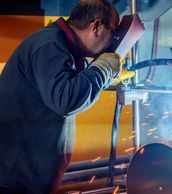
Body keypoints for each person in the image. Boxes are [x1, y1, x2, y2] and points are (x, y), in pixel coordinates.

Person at [0, 0, 121, 193]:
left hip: (28, 182)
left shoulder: (63, 47)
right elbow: (66, 100)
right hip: (14, 184)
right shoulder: (50, 46)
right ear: (96, 26)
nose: (114, 41)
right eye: (113, 33)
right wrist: (103, 69)